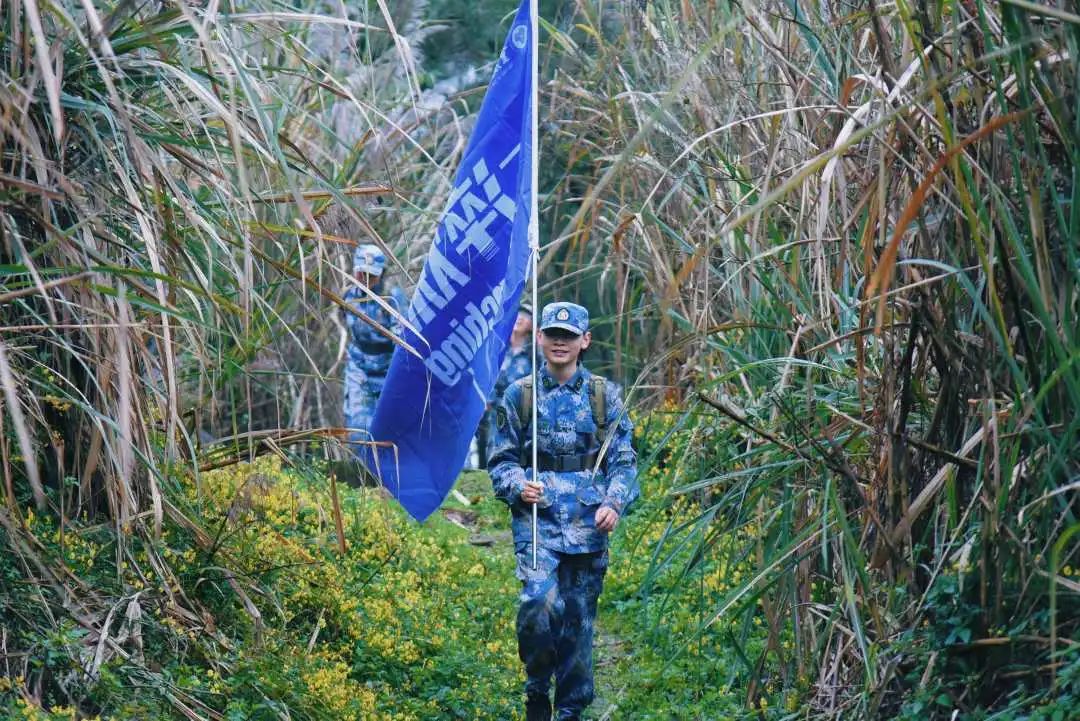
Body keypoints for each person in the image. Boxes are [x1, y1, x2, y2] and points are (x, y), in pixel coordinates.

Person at [488, 301, 639, 721]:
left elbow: (624, 461)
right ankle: (537, 686)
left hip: (588, 525)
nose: (559, 341)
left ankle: (570, 709)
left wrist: (614, 502)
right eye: (552, 333)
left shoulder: (604, 396)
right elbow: (500, 461)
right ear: (539, 338)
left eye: (569, 336)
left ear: (584, 341)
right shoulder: (519, 394)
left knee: (578, 623)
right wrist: (518, 485)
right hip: (537, 523)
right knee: (538, 605)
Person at [342, 243, 406, 449]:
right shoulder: (348, 296)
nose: (365, 279)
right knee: (358, 428)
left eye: (372, 275)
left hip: (388, 371)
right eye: (362, 273)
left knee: (388, 433)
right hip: (359, 369)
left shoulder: (392, 298)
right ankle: (360, 477)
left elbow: (402, 341)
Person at [476, 305, 534, 468]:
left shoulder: (534, 354)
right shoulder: (498, 349)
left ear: (532, 325)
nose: (521, 318)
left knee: (521, 455)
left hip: (523, 413)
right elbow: (485, 376)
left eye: (526, 315)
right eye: (518, 314)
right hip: (496, 412)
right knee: (493, 453)